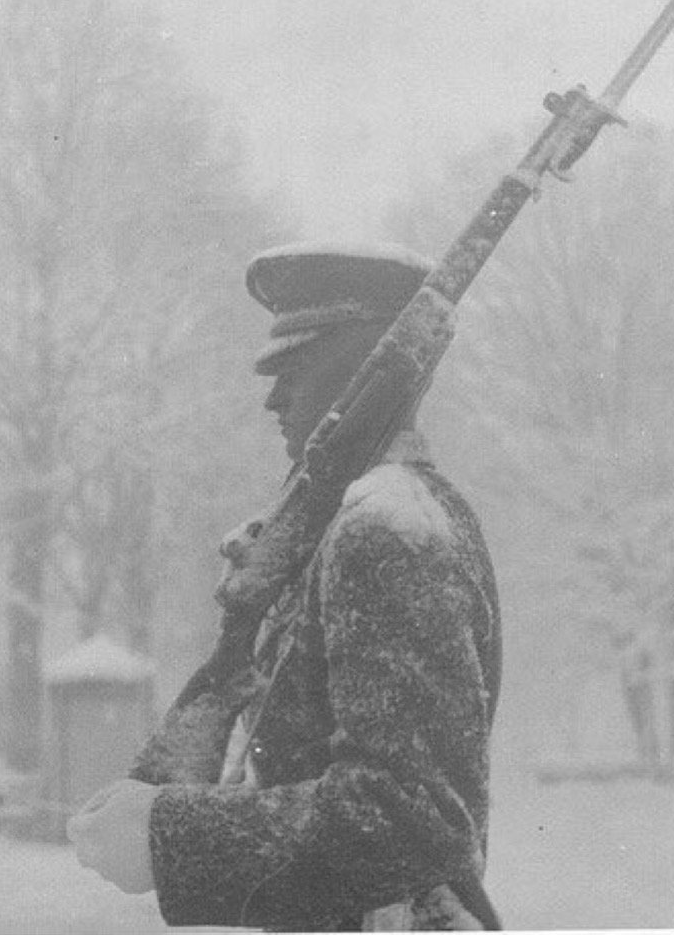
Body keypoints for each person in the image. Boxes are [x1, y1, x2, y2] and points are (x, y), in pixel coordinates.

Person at [68, 242, 502, 931]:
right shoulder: (355, 520)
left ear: (370, 372)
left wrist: (169, 831)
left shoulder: (382, 527)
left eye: (295, 366)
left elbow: (411, 816)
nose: (273, 398)